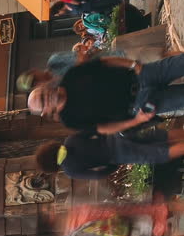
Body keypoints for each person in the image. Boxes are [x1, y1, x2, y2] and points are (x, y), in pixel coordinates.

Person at [27, 54, 184, 134]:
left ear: (45, 86)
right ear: (45, 112)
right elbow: (104, 128)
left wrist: (134, 65)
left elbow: (103, 62)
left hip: (141, 74)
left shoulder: (71, 76)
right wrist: (136, 121)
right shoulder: (70, 120)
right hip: (141, 103)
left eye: (42, 94)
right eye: (42, 102)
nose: (46, 97)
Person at [34, 129, 184, 180]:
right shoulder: (70, 140)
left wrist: (113, 165)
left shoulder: (70, 170)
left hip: (119, 154)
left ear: (52, 166)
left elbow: (97, 175)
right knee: (160, 136)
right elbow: (96, 130)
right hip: (119, 137)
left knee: (160, 154)